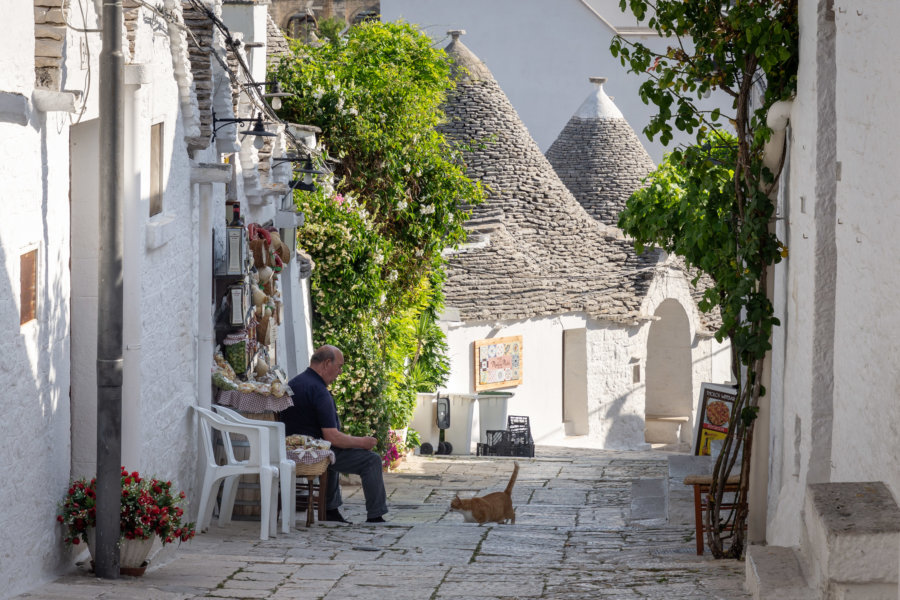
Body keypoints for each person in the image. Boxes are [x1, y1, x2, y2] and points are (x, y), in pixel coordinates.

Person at [279, 345, 388, 524]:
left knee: (333, 451)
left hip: (293, 447)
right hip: (310, 452)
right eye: (339, 366)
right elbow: (332, 437)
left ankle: (330, 509)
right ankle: (376, 516)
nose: (339, 372)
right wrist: (363, 442)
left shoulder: (296, 382)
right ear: (326, 363)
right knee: (371, 460)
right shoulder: (319, 391)